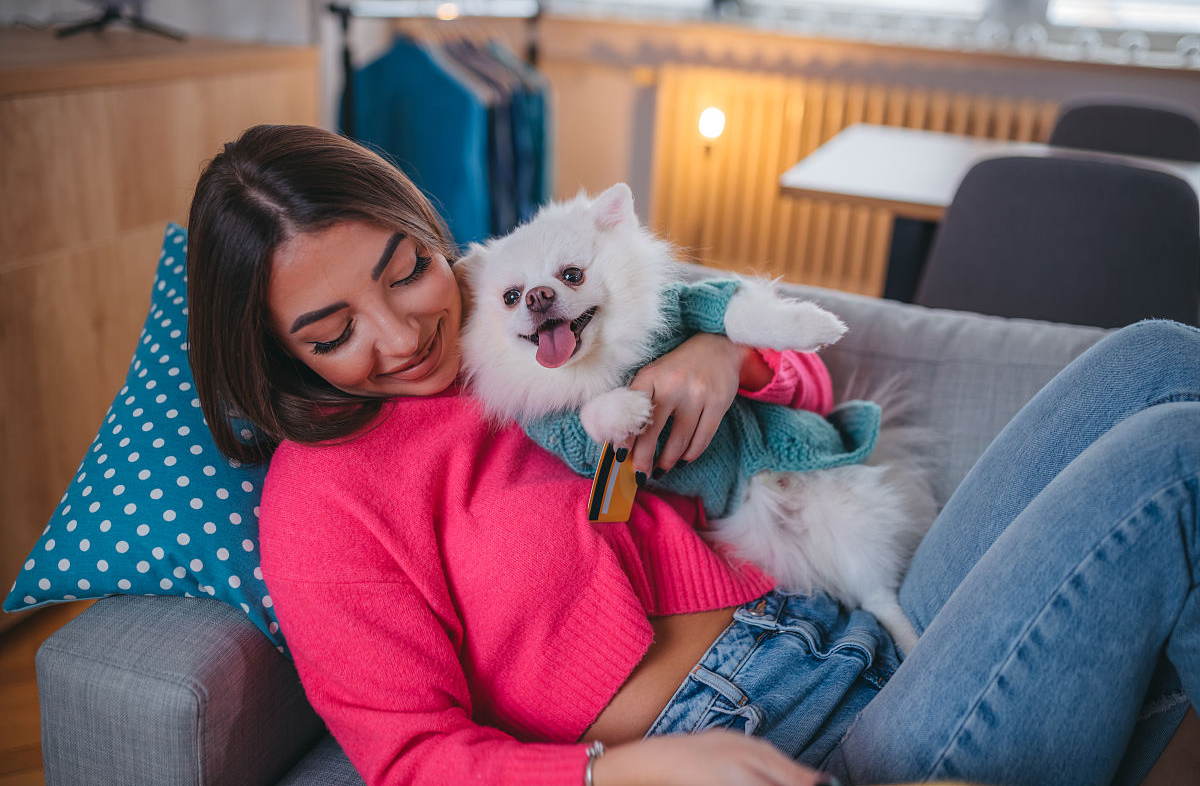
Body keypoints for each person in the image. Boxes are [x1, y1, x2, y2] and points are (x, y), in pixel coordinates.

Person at [186, 124, 1200, 786]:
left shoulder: (518, 291)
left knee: (1157, 358)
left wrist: (723, 353)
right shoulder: (324, 498)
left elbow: (805, 402)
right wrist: (625, 772)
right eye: (333, 333)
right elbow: (413, 758)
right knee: (1177, 459)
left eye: (407, 269)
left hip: (861, 617)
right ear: (280, 353)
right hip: (785, 738)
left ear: (426, 227)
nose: (403, 334)